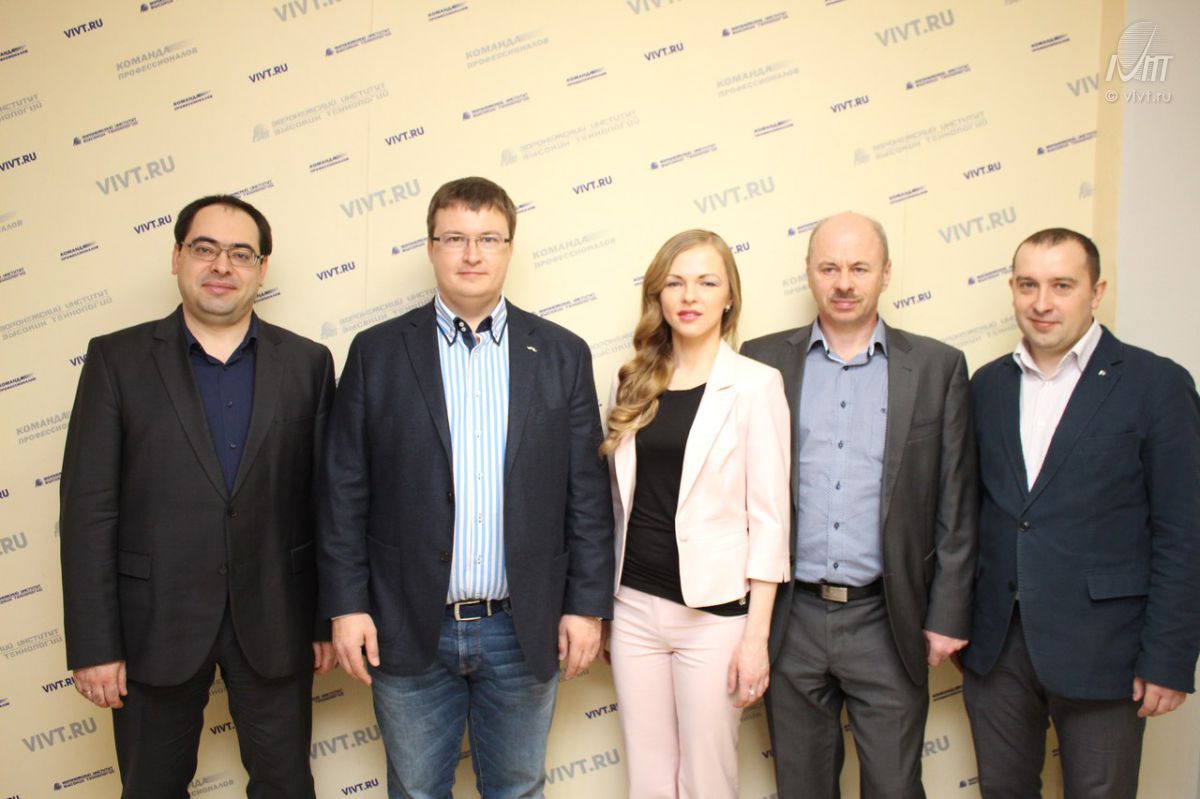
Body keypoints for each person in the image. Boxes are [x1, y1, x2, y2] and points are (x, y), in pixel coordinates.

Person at [319, 176, 614, 799]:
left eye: (488, 239)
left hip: (522, 626)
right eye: (454, 238)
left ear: (510, 248)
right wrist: (346, 607)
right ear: (431, 248)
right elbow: (343, 492)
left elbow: (586, 496)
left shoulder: (561, 353)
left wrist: (586, 607)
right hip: (406, 624)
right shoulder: (376, 353)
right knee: (416, 791)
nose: (472, 254)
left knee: (518, 790)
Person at [59, 194, 336, 798]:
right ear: (177, 257)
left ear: (262, 267)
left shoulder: (308, 364)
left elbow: (324, 503)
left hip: (276, 619)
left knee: (287, 786)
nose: (222, 266)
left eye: (241, 253)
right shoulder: (116, 360)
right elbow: (88, 512)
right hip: (152, 624)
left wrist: (324, 618)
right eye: (205, 249)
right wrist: (95, 645)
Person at [741, 211, 978, 798]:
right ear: (809, 273)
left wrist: (948, 614)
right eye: (829, 268)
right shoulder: (762, 360)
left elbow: (956, 501)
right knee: (801, 785)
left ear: (886, 273)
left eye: (859, 268)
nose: (844, 283)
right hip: (791, 618)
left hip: (888, 618)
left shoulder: (937, 367)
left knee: (895, 787)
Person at [962, 228, 1200, 798]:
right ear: (1012, 289)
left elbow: (1184, 531)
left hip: (1108, 651)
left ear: (1097, 292)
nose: (1042, 302)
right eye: (1028, 285)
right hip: (998, 649)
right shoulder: (986, 385)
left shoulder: (1157, 384)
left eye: (1062, 286)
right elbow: (971, 513)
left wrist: (1168, 659)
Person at [601, 230, 791, 798]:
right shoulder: (630, 382)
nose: (690, 296)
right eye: (675, 283)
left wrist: (755, 638)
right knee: (649, 781)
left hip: (715, 616)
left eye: (707, 282)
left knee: (708, 780)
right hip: (633, 608)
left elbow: (771, 520)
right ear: (657, 296)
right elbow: (614, 504)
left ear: (729, 296)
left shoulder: (756, 385)